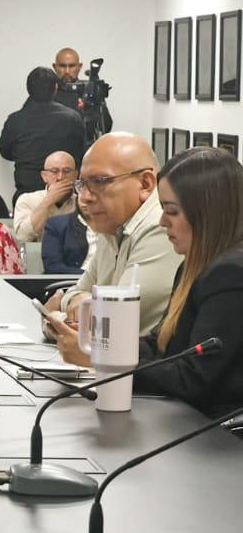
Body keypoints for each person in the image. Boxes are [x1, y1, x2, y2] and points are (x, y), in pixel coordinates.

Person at [54, 147, 243, 416]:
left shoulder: (231, 274)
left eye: (172, 211)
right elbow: (159, 344)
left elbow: (193, 379)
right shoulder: (193, 266)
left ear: (208, 213)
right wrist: (100, 346)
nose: (163, 221)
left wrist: (103, 358)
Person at [51, 133, 180, 335]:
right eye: (82, 184)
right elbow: (78, 293)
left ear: (145, 184)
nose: (84, 198)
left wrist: (59, 313)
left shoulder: (161, 227)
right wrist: (74, 300)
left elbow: (111, 326)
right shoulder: (113, 224)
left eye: (100, 181)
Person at [0, 67, 85, 202]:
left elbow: (4, 151)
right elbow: (81, 154)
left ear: (28, 89)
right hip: (64, 195)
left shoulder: (15, 120)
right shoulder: (72, 118)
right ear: (55, 87)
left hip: (26, 195)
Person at [13, 151, 80, 244]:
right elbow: (22, 238)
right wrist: (48, 201)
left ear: (75, 175)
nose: (60, 177)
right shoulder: (27, 200)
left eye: (67, 171)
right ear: (44, 176)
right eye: (54, 171)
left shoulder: (83, 203)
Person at [52, 47, 113, 135]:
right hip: (57, 146)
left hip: (87, 146)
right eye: (62, 66)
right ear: (54, 67)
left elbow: (106, 127)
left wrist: (97, 101)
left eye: (72, 66)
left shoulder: (89, 89)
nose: (67, 71)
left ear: (79, 67)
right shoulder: (48, 92)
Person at [41, 201, 92, 274]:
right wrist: (90, 275)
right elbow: (53, 266)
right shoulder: (57, 224)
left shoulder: (111, 226)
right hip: (71, 281)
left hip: (109, 282)